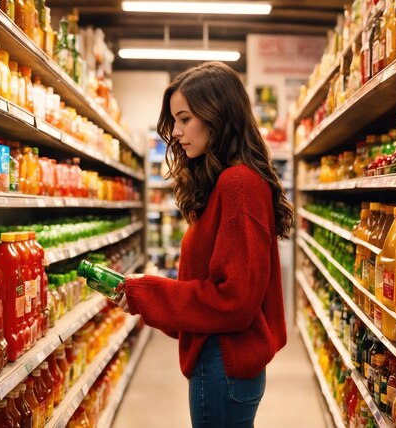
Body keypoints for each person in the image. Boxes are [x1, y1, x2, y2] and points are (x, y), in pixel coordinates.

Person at [118, 61, 293, 428]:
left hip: (222, 363)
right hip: (223, 361)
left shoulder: (238, 184)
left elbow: (234, 300)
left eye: (185, 119)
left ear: (217, 115)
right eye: (174, 121)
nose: (177, 132)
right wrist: (148, 301)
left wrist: (150, 293)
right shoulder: (228, 182)